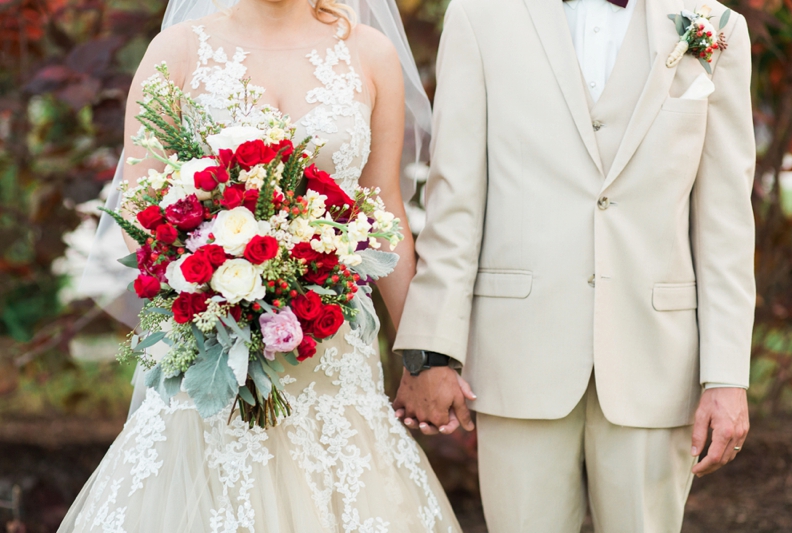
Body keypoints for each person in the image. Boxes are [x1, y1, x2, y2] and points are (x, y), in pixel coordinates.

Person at [58, 0, 462, 531]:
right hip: (210, 355)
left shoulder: (369, 53)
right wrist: (213, 292)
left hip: (332, 354)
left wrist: (425, 354)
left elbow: (384, 211)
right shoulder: (178, 52)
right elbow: (140, 217)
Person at [393, 0, 756, 531]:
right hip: (518, 356)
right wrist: (430, 353)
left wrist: (726, 375)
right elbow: (455, 202)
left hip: (657, 361)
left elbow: (726, 221)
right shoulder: (480, 17)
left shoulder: (714, 24)